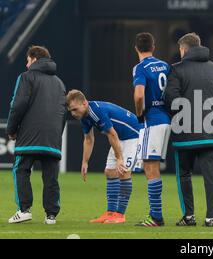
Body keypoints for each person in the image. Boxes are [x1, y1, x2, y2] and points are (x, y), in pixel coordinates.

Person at [164, 32, 213, 227]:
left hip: (186, 135)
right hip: (212, 132)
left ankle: (189, 216)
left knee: (184, 174)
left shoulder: (176, 69)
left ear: (183, 50)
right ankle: (211, 218)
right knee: (212, 176)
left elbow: (171, 98)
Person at [6, 46, 66, 225]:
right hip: (52, 138)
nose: (26, 64)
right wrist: (57, 134)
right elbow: (63, 112)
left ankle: (24, 210)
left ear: (34, 59)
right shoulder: (60, 82)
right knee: (50, 176)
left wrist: (11, 129)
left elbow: (18, 104)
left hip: (28, 136)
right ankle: (51, 215)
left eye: (27, 60)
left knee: (21, 170)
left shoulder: (26, 77)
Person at [66, 90, 141, 224]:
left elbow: (112, 134)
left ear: (84, 103)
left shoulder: (96, 112)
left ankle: (120, 215)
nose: (73, 113)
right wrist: (85, 162)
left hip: (134, 135)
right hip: (120, 137)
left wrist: (119, 159)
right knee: (110, 172)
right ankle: (111, 213)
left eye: (75, 109)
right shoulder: (84, 116)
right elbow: (89, 139)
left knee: (123, 172)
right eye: (71, 111)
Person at [133, 32, 172, 227]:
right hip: (165, 118)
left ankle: (156, 216)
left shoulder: (140, 68)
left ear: (136, 48)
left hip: (152, 120)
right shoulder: (165, 65)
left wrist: (140, 114)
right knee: (152, 165)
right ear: (153, 47)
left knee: (150, 166)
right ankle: (156, 215)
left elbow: (139, 95)